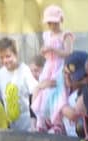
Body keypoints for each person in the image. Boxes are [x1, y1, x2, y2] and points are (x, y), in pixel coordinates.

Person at [31, 5, 74, 133]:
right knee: (43, 91)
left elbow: (68, 52)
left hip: (60, 67)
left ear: (60, 20)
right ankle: (42, 120)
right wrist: (44, 51)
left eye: (54, 23)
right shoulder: (47, 35)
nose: (52, 26)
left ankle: (57, 122)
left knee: (58, 93)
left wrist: (53, 49)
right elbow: (45, 51)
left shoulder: (66, 35)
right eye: (49, 23)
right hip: (49, 66)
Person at [0, 37, 38, 131]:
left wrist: (33, 122)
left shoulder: (25, 71)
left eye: (8, 56)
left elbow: (34, 93)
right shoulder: (0, 74)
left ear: (16, 54)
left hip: (27, 125)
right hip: (11, 126)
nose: (5, 61)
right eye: (1, 57)